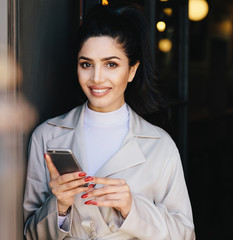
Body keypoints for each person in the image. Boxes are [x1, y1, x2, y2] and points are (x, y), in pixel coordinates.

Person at [23, 4, 195, 240]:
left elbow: (185, 234)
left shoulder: (160, 145)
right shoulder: (47, 136)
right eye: (86, 64)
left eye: (111, 64)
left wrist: (132, 208)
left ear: (132, 70)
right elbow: (28, 233)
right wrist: (60, 206)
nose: (96, 78)